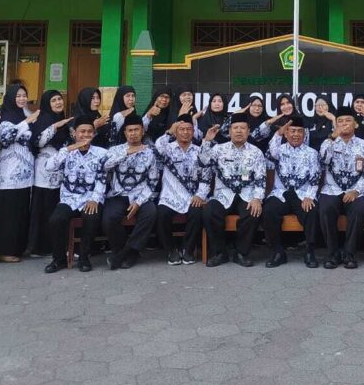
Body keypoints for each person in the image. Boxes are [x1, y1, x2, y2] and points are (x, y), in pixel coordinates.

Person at [199, 111, 267, 267]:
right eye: (235, 128)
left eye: (242, 128)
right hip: (223, 194)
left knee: (253, 212)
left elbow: (261, 178)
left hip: (247, 194)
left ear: (248, 131)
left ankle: (241, 253)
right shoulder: (218, 149)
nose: (239, 131)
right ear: (229, 131)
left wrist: (257, 198)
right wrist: (207, 141)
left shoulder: (256, 152)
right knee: (209, 211)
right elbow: (203, 162)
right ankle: (220, 253)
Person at [45, 117, 108, 274]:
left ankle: (84, 257)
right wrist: (69, 149)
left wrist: (95, 199)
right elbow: (49, 167)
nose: (85, 135)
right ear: (74, 133)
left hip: (91, 197)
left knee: (91, 217)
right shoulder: (66, 151)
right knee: (56, 220)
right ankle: (59, 259)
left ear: (94, 134)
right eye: (82, 132)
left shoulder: (101, 153)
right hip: (69, 198)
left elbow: (102, 178)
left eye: (89, 132)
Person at [318, 106, 364, 270]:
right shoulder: (328, 143)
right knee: (326, 209)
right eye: (340, 121)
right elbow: (322, 161)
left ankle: (349, 254)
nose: (344, 124)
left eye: (348, 120)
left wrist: (356, 191)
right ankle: (332, 254)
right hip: (332, 188)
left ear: (355, 124)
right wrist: (332, 138)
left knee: (359, 210)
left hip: (356, 189)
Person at [101, 112, 159, 269]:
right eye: (130, 130)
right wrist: (126, 153)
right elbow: (105, 166)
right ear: (125, 132)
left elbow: (152, 181)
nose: (133, 133)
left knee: (151, 213)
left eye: (136, 130)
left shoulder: (150, 152)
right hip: (118, 195)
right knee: (109, 218)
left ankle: (126, 253)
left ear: (142, 131)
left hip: (141, 195)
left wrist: (139, 202)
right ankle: (125, 252)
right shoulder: (115, 150)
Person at [263, 115, 321, 268]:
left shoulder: (312, 153)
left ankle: (309, 251)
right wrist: (278, 134)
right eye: (292, 131)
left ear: (304, 134)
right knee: (268, 210)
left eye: (299, 131)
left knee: (311, 210)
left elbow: (315, 178)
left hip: (302, 193)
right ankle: (277, 252)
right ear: (287, 133)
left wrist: (309, 197)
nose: (296, 134)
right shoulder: (279, 150)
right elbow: (271, 152)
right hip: (281, 193)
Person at [0, 83, 39, 263]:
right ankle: (2, 250)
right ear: (11, 98)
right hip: (8, 175)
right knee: (7, 214)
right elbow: (5, 138)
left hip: (25, 176)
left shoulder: (25, 115)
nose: (22, 99)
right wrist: (27, 122)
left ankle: (18, 248)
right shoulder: (6, 118)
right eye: (18, 96)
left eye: (24, 95)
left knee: (20, 212)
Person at [154, 113, 207, 265]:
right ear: (176, 131)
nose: (185, 132)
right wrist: (169, 132)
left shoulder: (199, 151)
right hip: (170, 195)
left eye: (189, 129)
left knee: (197, 212)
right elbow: (157, 147)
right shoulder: (167, 149)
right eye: (181, 129)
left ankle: (188, 249)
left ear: (193, 132)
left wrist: (200, 195)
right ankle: (171, 250)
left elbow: (206, 175)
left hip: (192, 195)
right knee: (162, 214)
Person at [27, 90, 73, 257]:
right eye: (53, 100)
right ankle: (39, 247)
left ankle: (58, 246)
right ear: (47, 103)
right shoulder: (43, 120)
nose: (58, 102)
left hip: (61, 172)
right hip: (44, 172)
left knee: (56, 208)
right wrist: (54, 127)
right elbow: (38, 141)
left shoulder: (64, 121)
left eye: (59, 99)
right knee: (43, 209)